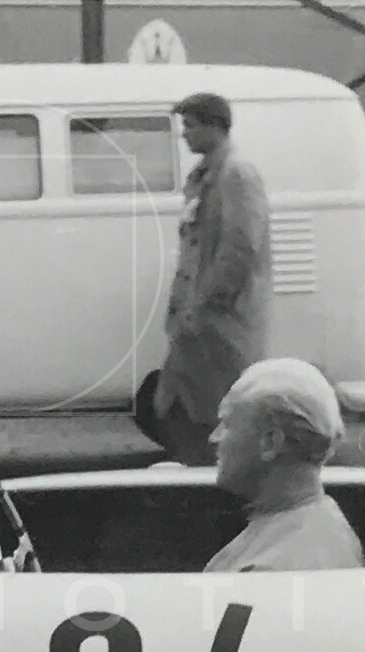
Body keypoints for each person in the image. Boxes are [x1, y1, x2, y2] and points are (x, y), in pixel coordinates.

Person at [144, 91, 272, 467]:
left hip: (221, 322)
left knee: (220, 410)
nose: (184, 134)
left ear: (216, 126)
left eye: (191, 125)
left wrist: (208, 302)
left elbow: (241, 248)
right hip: (196, 320)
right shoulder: (204, 176)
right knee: (177, 405)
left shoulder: (237, 174)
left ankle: (222, 475)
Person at [204, 358, 365, 573]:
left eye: (226, 424)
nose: (214, 438)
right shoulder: (325, 522)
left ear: (270, 442)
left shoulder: (270, 570)